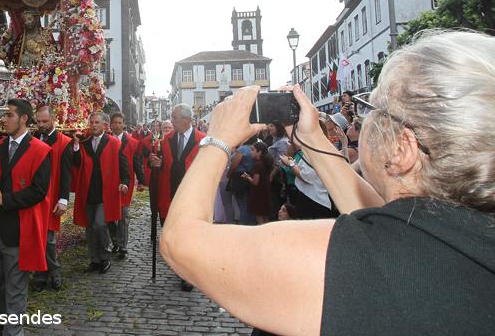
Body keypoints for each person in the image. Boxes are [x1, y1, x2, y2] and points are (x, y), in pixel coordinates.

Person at [161, 30, 495, 335]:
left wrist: (217, 139)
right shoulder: (452, 237)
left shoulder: (352, 262)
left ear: (402, 148)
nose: (364, 121)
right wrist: (312, 141)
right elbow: (383, 215)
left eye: (371, 109)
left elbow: (180, 241)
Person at [0, 98, 51, 336]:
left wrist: (7, 200)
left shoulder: (41, 150)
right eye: (3, 115)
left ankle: (14, 331)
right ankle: (3, 321)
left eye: (9, 115)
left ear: (24, 119)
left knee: (15, 286)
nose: (3, 120)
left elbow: (39, 190)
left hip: (19, 230)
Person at [152, 103, 205, 291]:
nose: (171, 120)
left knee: (189, 235)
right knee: (172, 233)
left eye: (174, 118)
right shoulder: (167, 139)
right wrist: (156, 164)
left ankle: (187, 274)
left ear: (185, 120)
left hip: (191, 196)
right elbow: (162, 164)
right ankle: (179, 265)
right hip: (170, 193)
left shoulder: (203, 140)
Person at [71, 112, 129, 275]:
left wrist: (124, 181)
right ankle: (94, 260)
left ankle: (104, 257)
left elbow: (123, 164)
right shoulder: (84, 142)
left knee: (100, 224)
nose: (93, 125)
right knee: (90, 228)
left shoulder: (113, 142)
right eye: (92, 122)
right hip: (88, 190)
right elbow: (76, 163)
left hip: (106, 191)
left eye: (97, 122)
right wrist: (75, 145)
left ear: (104, 125)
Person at [32, 105, 73, 292]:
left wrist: (64, 199)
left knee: (47, 239)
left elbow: (66, 173)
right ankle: (40, 274)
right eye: (38, 121)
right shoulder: (32, 139)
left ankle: (53, 272)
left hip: (52, 196)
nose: (41, 125)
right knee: (36, 238)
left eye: (45, 121)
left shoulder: (64, 142)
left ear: (53, 120)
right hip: (34, 196)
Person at [107, 112, 145, 259]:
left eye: (119, 123)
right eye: (114, 122)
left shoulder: (133, 143)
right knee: (109, 215)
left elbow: (137, 163)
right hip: (109, 183)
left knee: (124, 214)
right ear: (110, 124)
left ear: (123, 124)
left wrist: (141, 181)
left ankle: (122, 245)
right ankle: (115, 241)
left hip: (125, 182)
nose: (117, 125)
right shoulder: (107, 140)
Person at [243, 141, 273, 225]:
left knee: (259, 217)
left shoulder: (258, 164)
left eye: (253, 150)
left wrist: (247, 177)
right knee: (265, 217)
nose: (251, 152)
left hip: (258, 193)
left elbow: (255, 182)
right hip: (265, 191)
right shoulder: (266, 162)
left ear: (259, 152)